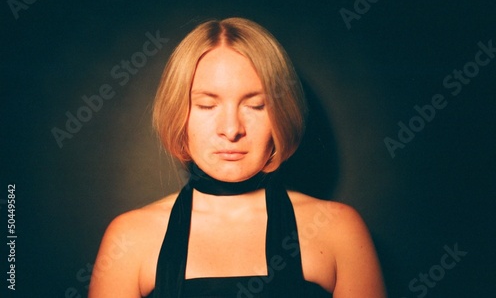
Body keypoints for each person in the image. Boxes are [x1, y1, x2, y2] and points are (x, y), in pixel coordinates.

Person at [89, 17, 386, 297]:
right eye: (207, 105)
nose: (231, 130)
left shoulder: (339, 230)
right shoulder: (128, 239)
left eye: (256, 105)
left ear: (282, 115)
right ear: (178, 114)